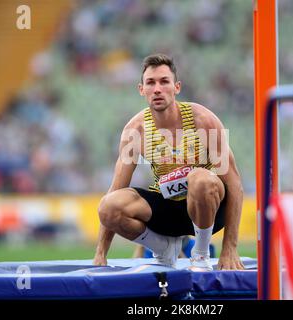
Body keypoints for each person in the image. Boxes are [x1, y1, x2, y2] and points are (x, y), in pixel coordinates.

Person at [93, 53, 245, 270]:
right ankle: (163, 248)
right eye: (151, 83)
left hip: (208, 206)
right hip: (166, 210)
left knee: (199, 179)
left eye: (164, 82)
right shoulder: (135, 131)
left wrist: (230, 247)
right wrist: (100, 254)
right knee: (108, 207)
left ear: (177, 88)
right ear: (141, 89)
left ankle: (200, 255)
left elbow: (235, 186)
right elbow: (116, 188)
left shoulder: (204, 121)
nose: (157, 89)